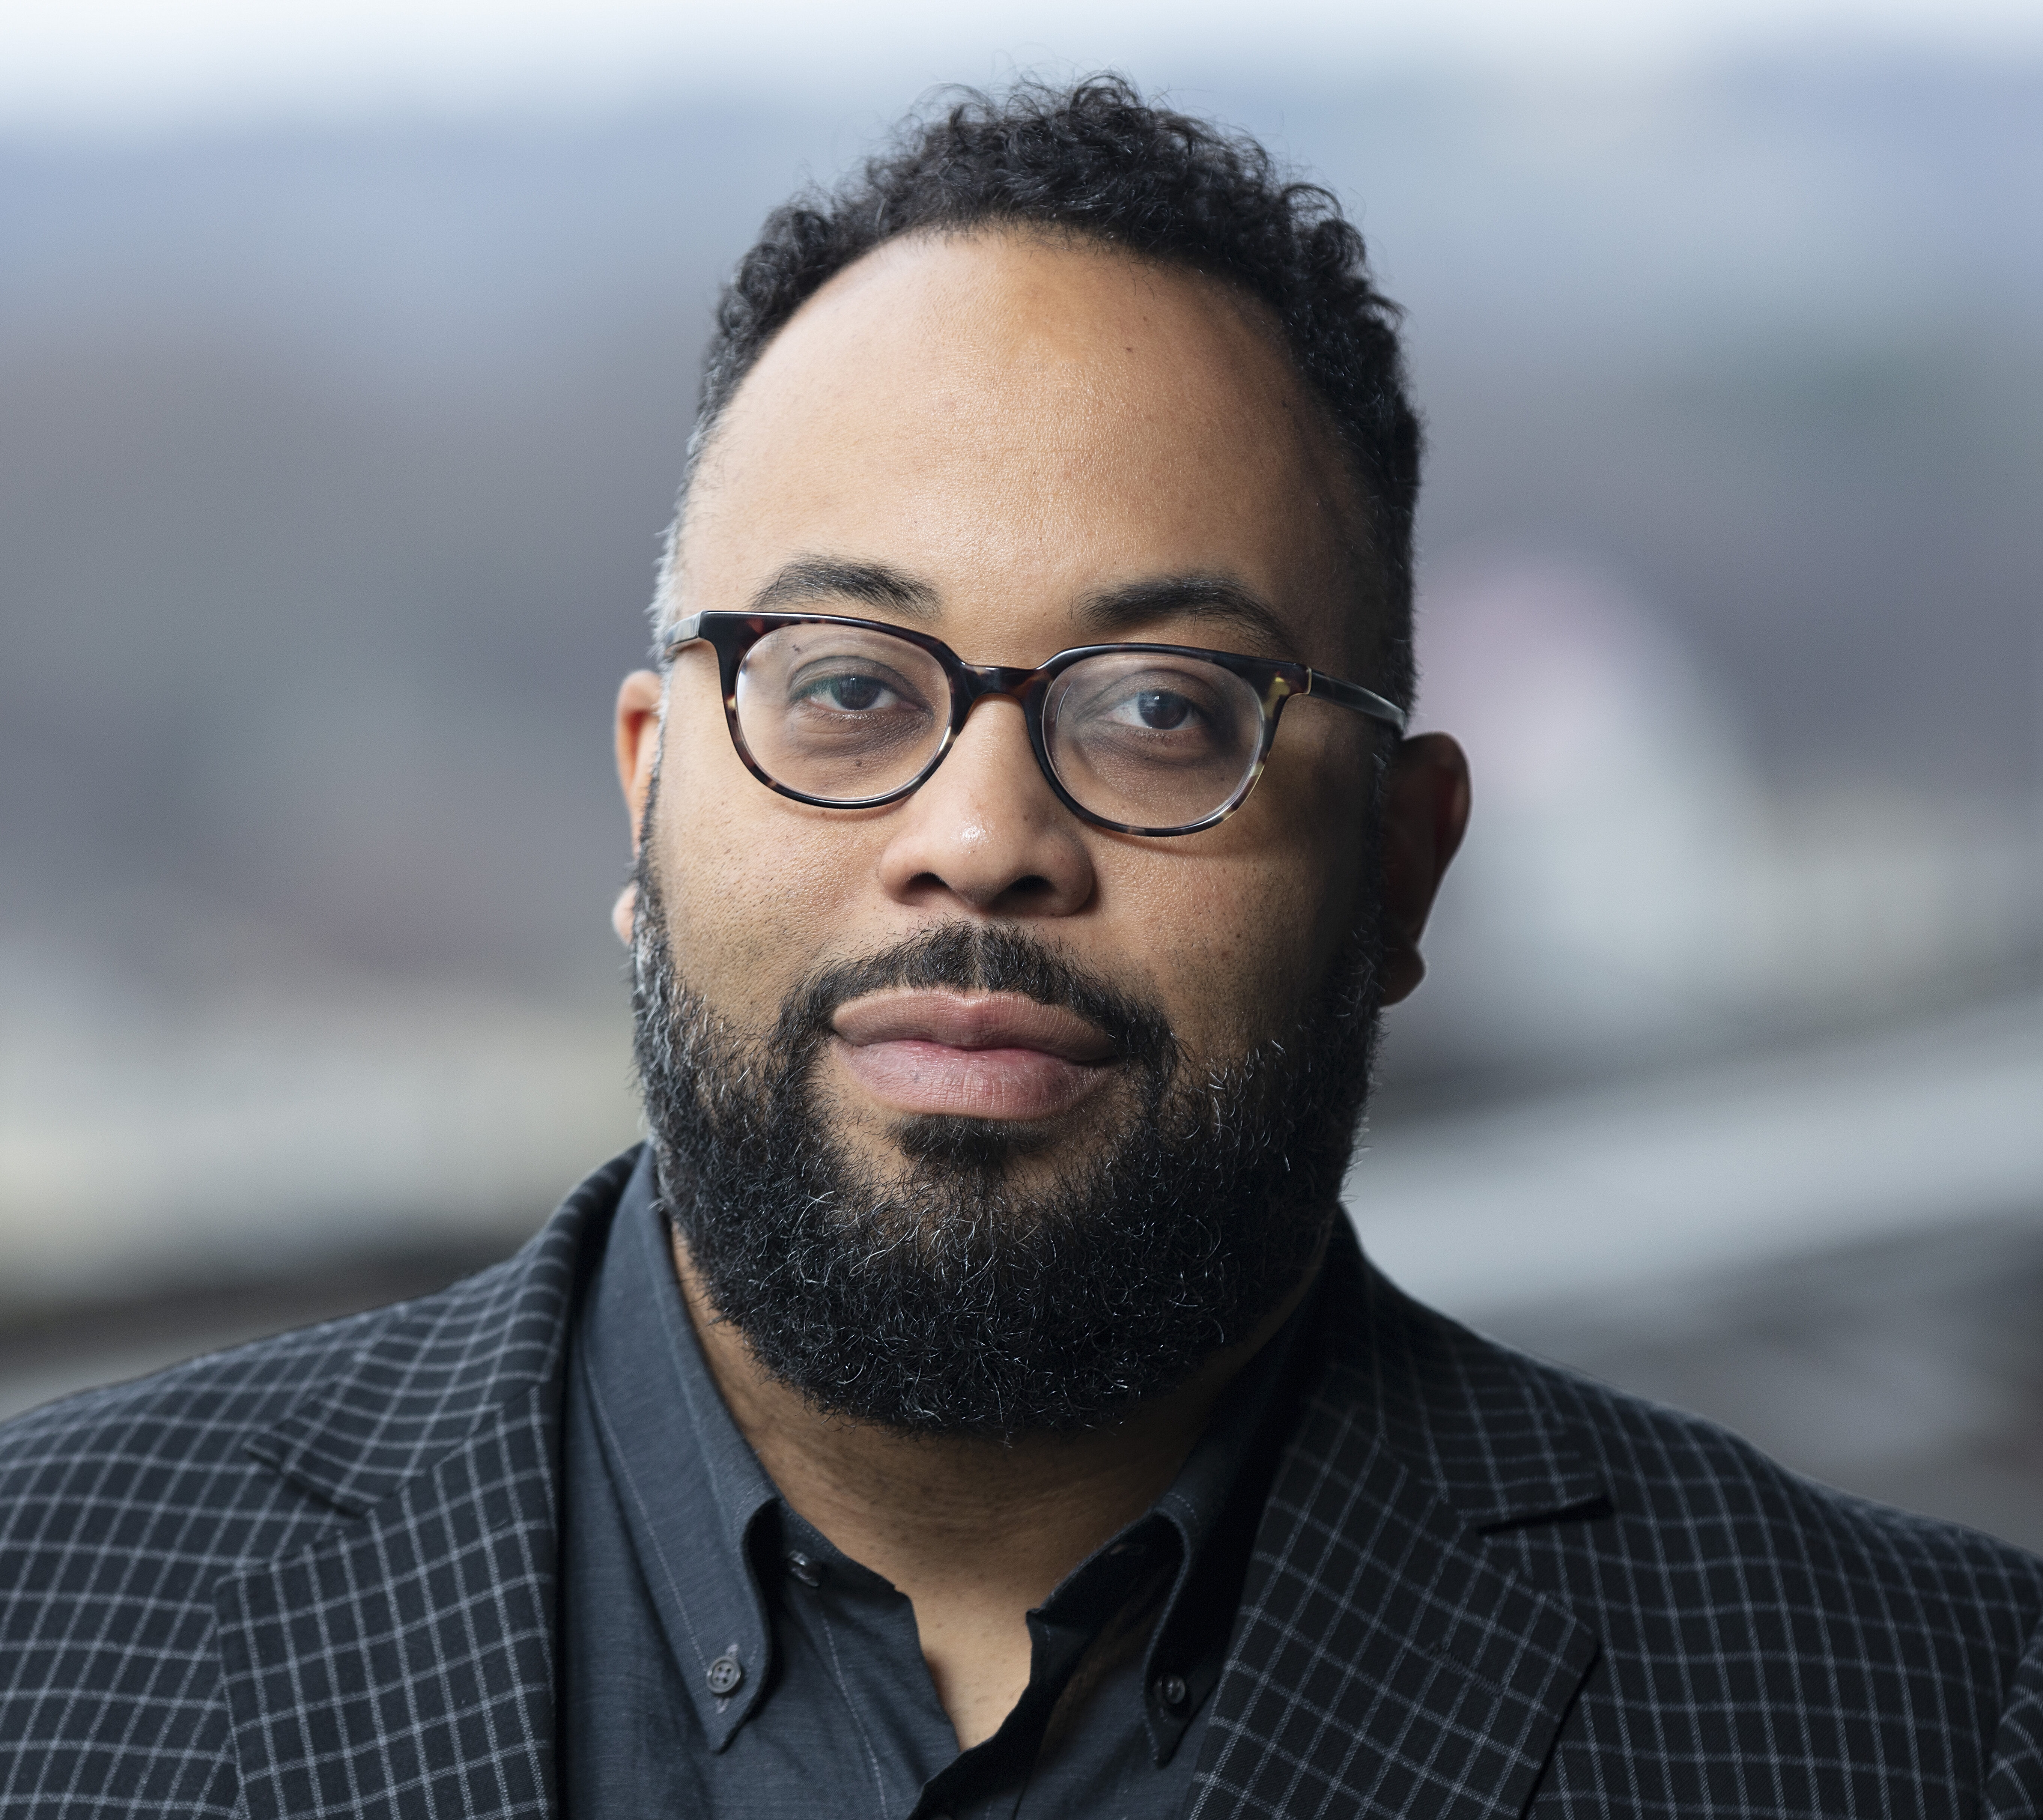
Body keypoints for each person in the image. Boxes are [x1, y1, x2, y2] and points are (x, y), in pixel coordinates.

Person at [2, 77, 2038, 1820]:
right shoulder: (38, 1623)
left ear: (1403, 869)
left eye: (1162, 705)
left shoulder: (1927, 1727)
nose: (978, 838)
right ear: (645, 796)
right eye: (845, 689)